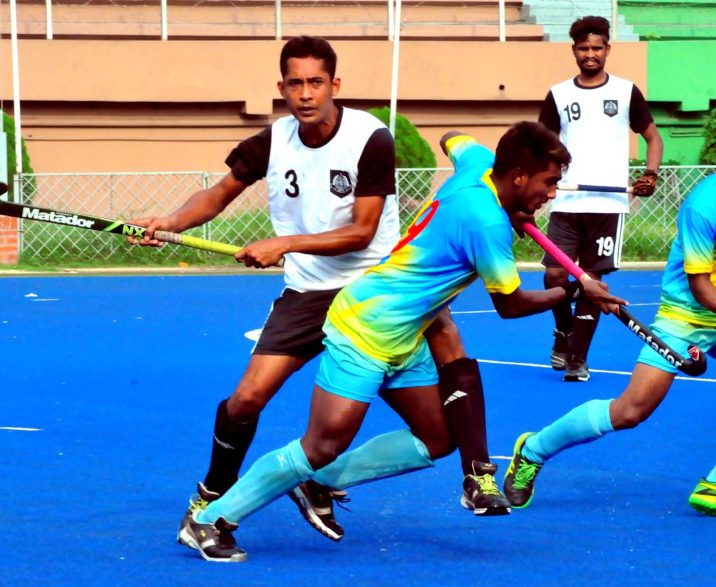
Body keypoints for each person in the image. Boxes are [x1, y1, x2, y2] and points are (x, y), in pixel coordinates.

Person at [177, 121, 628, 562]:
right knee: (320, 445)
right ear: (518, 176)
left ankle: (321, 480)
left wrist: (512, 203)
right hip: (366, 328)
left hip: (407, 334)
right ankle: (211, 519)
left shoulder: (479, 163)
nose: (551, 194)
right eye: (549, 183)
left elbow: (453, 138)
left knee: (437, 437)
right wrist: (573, 288)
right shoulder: (486, 223)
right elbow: (510, 306)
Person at [128, 37, 514, 542]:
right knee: (245, 400)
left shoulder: (371, 138)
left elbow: (363, 230)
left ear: (335, 85)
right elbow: (220, 193)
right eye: (295, 83)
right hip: (307, 293)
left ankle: (333, 479)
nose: (305, 93)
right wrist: (169, 222)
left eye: (315, 82)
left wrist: (284, 242)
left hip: (377, 294)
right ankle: (213, 492)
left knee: (435, 419)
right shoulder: (273, 140)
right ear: (281, 87)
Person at [503, 100, 716, 518]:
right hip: (685, 318)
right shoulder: (705, 205)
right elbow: (700, 286)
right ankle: (532, 449)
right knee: (630, 411)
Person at [539, 15, 664, 382]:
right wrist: (544, 182)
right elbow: (543, 146)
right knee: (554, 274)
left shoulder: (626, 91)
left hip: (609, 205)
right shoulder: (559, 94)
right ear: (574, 50)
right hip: (567, 202)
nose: (590, 54)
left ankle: (578, 358)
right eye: (583, 48)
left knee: (592, 281)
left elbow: (653, 137)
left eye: (597, 48)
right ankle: (563, 333)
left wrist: (650, 173)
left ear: (608, 48)